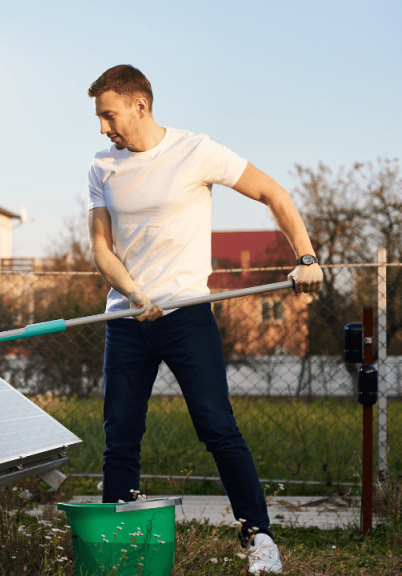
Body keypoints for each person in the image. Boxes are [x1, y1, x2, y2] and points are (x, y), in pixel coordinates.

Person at [85, 64, 323, 575]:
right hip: (127, 319)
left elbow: (273, 195)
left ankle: (259, 537)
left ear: (139, 105)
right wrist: (132, 291)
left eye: (109, 115)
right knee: (120, 434)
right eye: (101, 119)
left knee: (217, 426)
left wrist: (305, 257)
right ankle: (118, 544)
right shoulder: (102, 165)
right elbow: (101, 249)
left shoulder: (196, 151)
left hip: (187, 314)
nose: (105, 128)